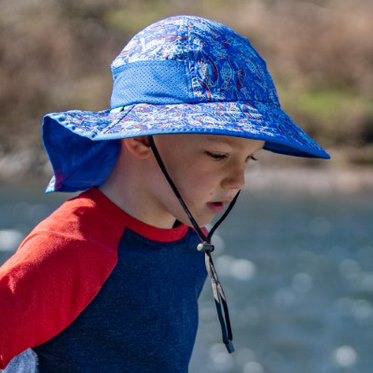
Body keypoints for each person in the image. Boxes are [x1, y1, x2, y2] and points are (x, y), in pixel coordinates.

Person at [0, 15, 331, 372]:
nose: (238, 180)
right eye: (219, 155)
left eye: (250, 159)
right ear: (141, 138)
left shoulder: (189, 238)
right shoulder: (70, 246)